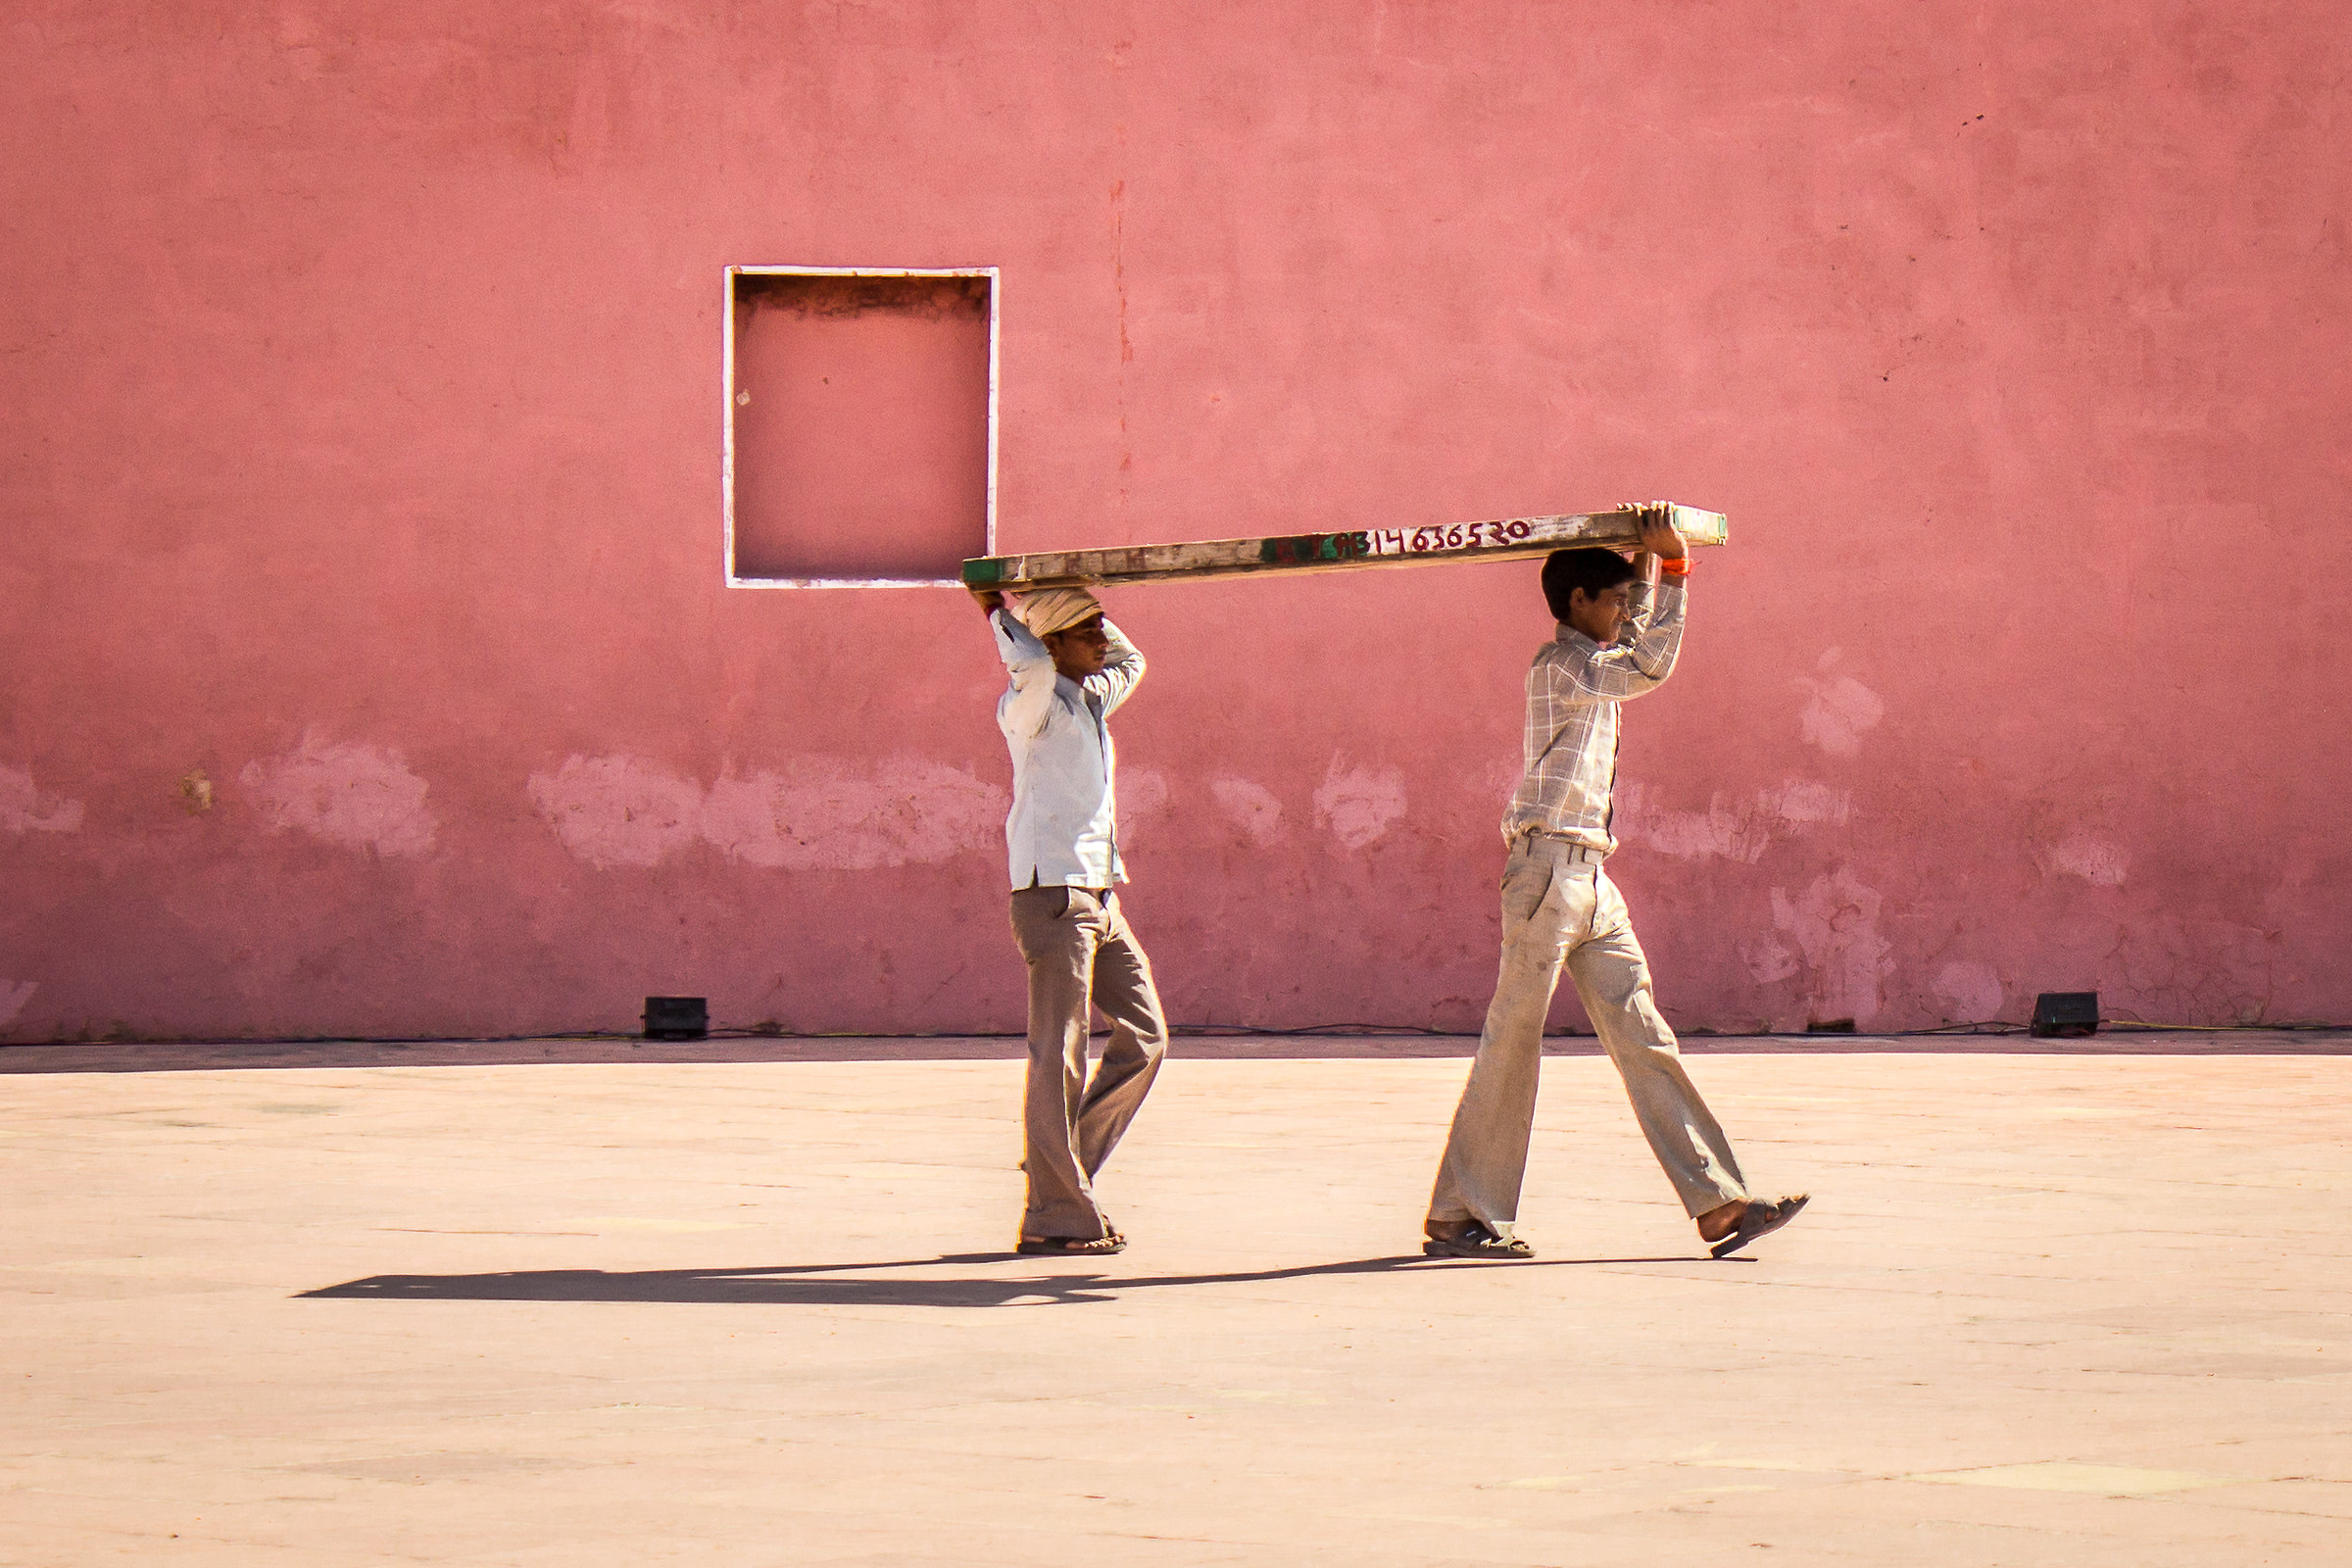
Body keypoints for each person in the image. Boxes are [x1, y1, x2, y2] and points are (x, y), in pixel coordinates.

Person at [1424, 505, 1807, 1261]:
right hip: (1545, 874)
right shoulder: (1562, 666)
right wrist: (1675, 571)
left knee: (1644, 1033)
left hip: (1590, 878)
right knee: (1514, 1043)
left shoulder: (1593, 662)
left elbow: (1635, 640)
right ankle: (1458, 1215)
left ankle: (1718, 1203)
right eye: (1613, 600)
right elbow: (1649, 660)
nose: (1625, 613)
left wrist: (1644, 567)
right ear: (1576, 603)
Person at [971, 583, 1169, 1256]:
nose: (1101, 640)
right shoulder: (1032, 706)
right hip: (1052, 895)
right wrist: (998, 612)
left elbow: (1134, 661)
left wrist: (1081, 607)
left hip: (1099, 896)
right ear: (1052, 643)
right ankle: (1056, 1212)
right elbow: (1026, 664)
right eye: (1086, 630)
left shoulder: (1089, 700)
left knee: (1145, 1036)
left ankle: (1062, 1166)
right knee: (1059, 1054)